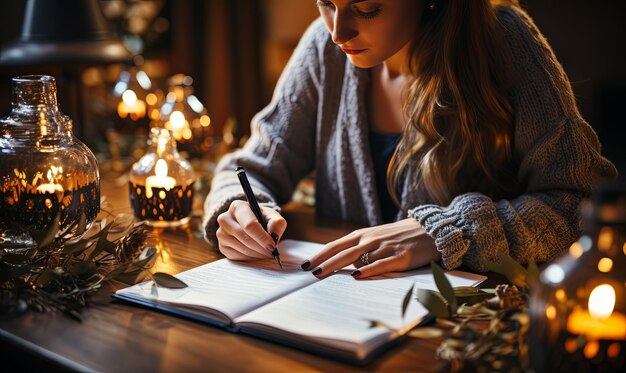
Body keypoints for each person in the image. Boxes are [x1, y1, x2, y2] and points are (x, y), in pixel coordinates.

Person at [203, 0, 617, 279]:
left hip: (469, 329)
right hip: (343, 321)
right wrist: (237, 208)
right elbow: (252, 166)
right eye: (326, 2)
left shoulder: (503, 42)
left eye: (366, 9)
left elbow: (582, 205)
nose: (337, 31)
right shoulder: (323, 51)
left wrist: (447, 231)